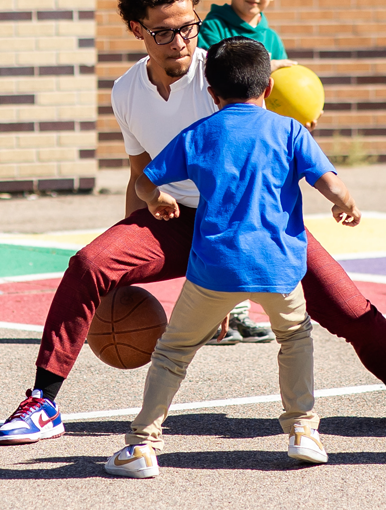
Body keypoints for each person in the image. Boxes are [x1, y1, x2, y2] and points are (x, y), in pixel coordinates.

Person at [0, 0, 386, 446]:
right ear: (137, 29)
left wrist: (305, 113)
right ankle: (43, 402)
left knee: (345, 307)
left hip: (257, 222)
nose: (180, 40)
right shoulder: (127, 90)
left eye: (188, 26)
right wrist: (126, 244)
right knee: (90, 263)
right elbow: (140, 173)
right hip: (177, 218)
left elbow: (280, 86)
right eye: (163, 31)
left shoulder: (222, 74)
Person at [104, 37, 359, 477]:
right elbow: (331, 183)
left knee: (173, 353)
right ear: (267, 90)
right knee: (294, 339)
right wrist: (345, 204)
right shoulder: (290, 130)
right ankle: (304, 431)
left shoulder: (200, 133)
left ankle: (142, 445)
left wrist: (157, 197)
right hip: (279, 267)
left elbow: (145, 179)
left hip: (215, 268)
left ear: (211, 93)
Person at [196, 0, 293, 343]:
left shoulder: (270, 37)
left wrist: (300, 114)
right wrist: (273, 65)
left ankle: (235, 314)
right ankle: (216, 315)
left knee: (249, 224)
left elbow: (282, 90)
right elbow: (216, 71)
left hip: (257, 146)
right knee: (222, 224)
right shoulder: (215, 28)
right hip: (221, 139)